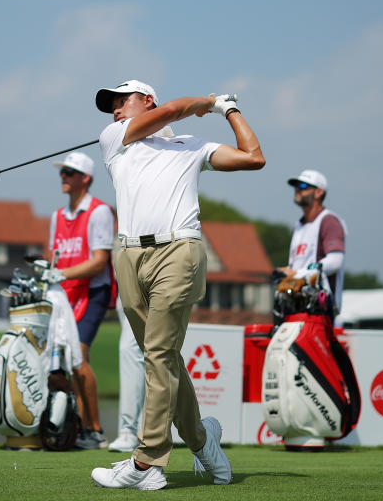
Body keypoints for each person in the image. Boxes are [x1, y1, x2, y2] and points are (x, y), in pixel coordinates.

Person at [89, 79, 264, 490]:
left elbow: (253, 158)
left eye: (121, 101)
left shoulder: (191, 146)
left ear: (145, 99)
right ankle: (204, 444)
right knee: (163, 359)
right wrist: (205, 101)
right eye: (110, 105)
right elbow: (169, 112)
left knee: (158, 354)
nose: (114, 110)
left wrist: (228, 111)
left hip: (178, 253)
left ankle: (148, 462)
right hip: (129, 256)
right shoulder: (116, 138)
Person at [42, 151, 115, 450]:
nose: (63, 177)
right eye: (62, 172)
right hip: (64, 294)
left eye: (69, 173)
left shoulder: (99, 212)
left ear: (85, 179)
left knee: (79, 356)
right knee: (69, 363)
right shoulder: (57, 216)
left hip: (93, 291)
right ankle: (78, 425)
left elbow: (99, 262)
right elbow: (53, 258)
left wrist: (62, 273)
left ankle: (95, 430)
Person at [281, 169, 347, 318]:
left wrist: (298, 274)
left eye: (304, 186)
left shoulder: (329, 221)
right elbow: (295, 265)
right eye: (296, 186)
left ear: (319, 193)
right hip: (296, 305)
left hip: (320, 309)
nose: (297, 190)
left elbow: (335, 261)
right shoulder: (298, 226)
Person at [108, 301, 145, 453]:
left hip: (146, 286)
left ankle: (128, 432)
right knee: (142, 354)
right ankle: (140, 430)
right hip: (125, 290)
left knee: (130, 349)